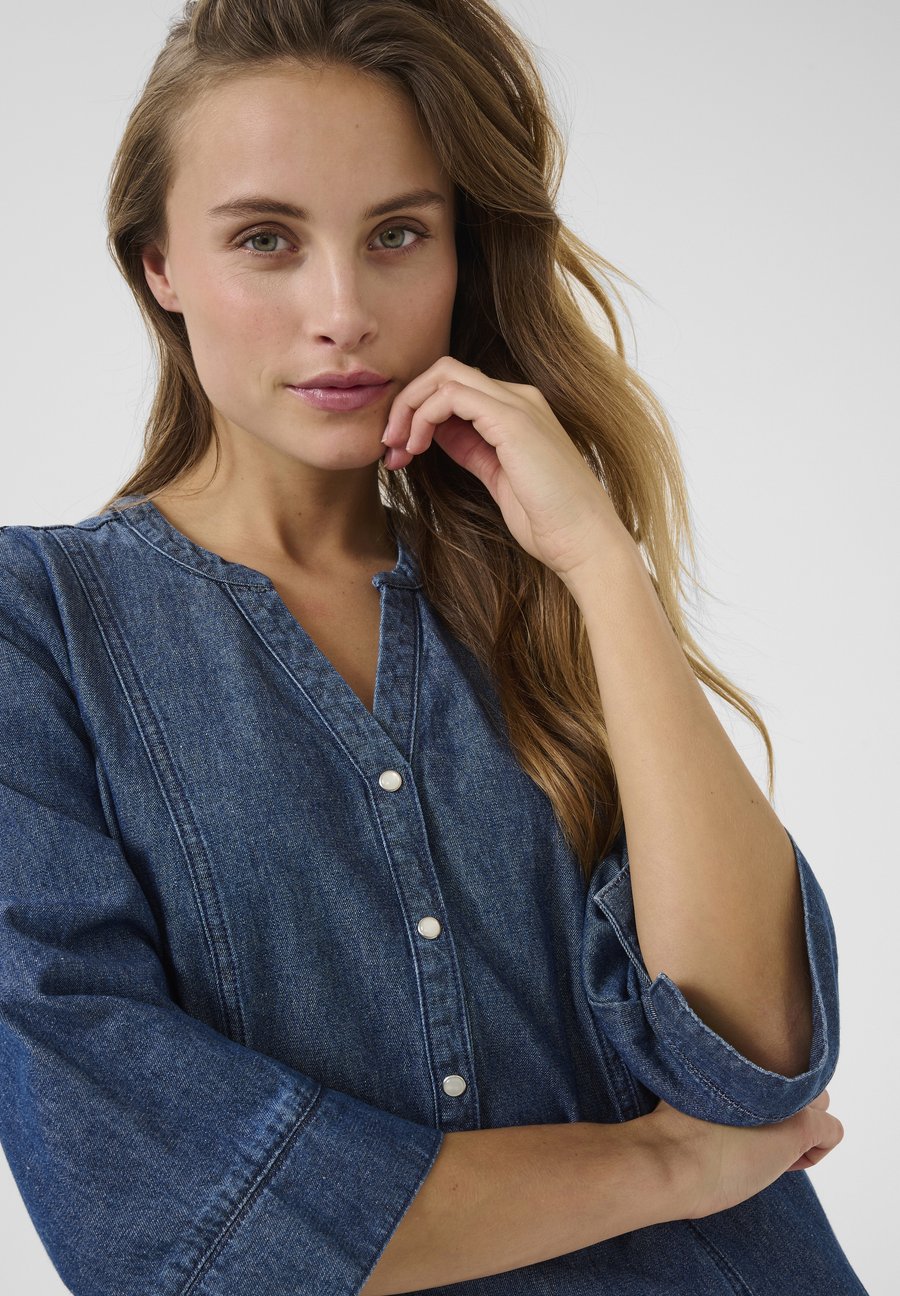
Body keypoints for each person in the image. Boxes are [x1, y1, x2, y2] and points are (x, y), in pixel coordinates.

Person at [0, 2, 868, 1294]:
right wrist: (665, 1167)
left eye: (398, 234)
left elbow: (751, 1058)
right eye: (265, 240)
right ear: (158, 266)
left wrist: (605, 569)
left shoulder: (542, 593)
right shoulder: (40, 625)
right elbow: (157, 1206)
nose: (342, 311)